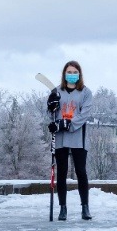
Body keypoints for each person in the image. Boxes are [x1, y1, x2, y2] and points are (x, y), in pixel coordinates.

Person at [47, 61, 94, 221]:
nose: (72, 74)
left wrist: (68, 123)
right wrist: (51, 110)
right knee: (61, 172)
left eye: (75, 72)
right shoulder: (57, 91)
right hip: (61, 137)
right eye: (69, 72)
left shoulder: (85, 92)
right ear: (64, 74)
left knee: (81, 171)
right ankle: (62, 208)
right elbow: (51, 114)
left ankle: (85, 207)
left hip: (78, 137)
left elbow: (84, 114)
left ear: (79, 74)